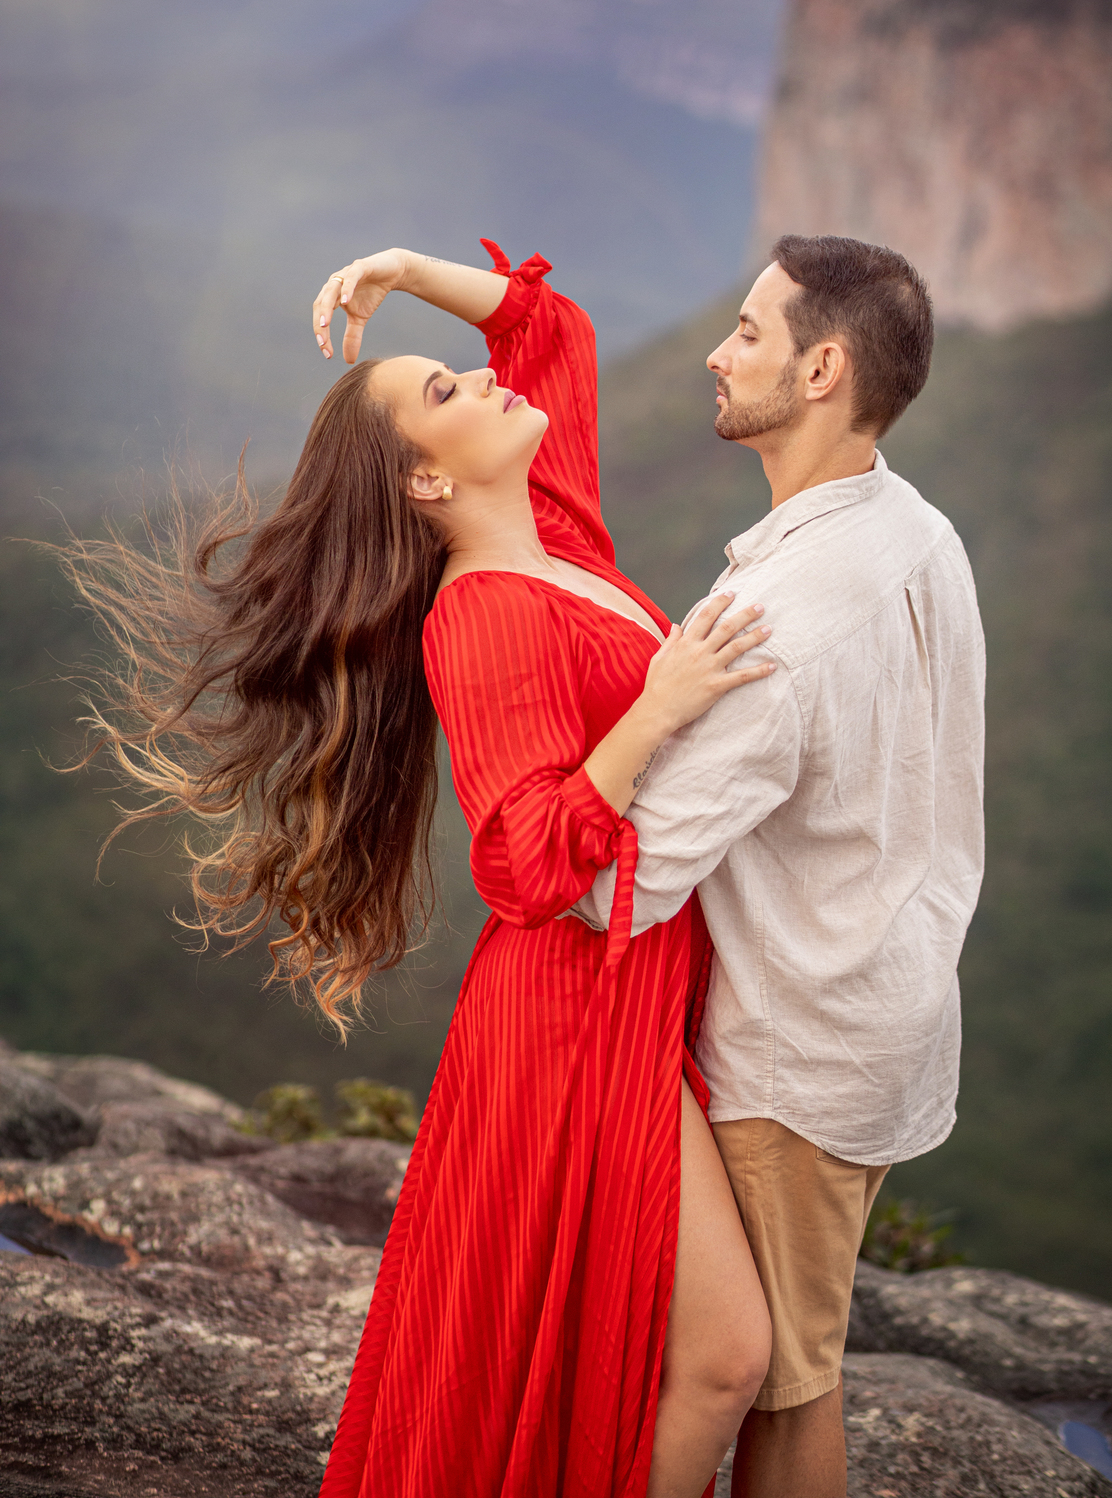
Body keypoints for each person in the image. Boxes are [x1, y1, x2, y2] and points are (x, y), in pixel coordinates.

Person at [59, 238, 775, 1498]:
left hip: (632, 988)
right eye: (446, 391)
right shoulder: (483, 611)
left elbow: (553, 337)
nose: (482, 381)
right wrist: (658, 709)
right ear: (430, 483)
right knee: (723, 1358)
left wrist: (404, 269)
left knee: (657, 1353)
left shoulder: (554, 534)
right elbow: (521, 859)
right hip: (572, 1013)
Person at [579, 234, 987, 1498]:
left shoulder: (776, 628)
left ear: (821, 371)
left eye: (748, 331)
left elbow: (619, 884)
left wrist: (610, 738)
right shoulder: (920, 529)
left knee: (782, 1385)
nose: (716, 352)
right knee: (799, 1361)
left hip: (789, 1057)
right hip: (884, 1003)